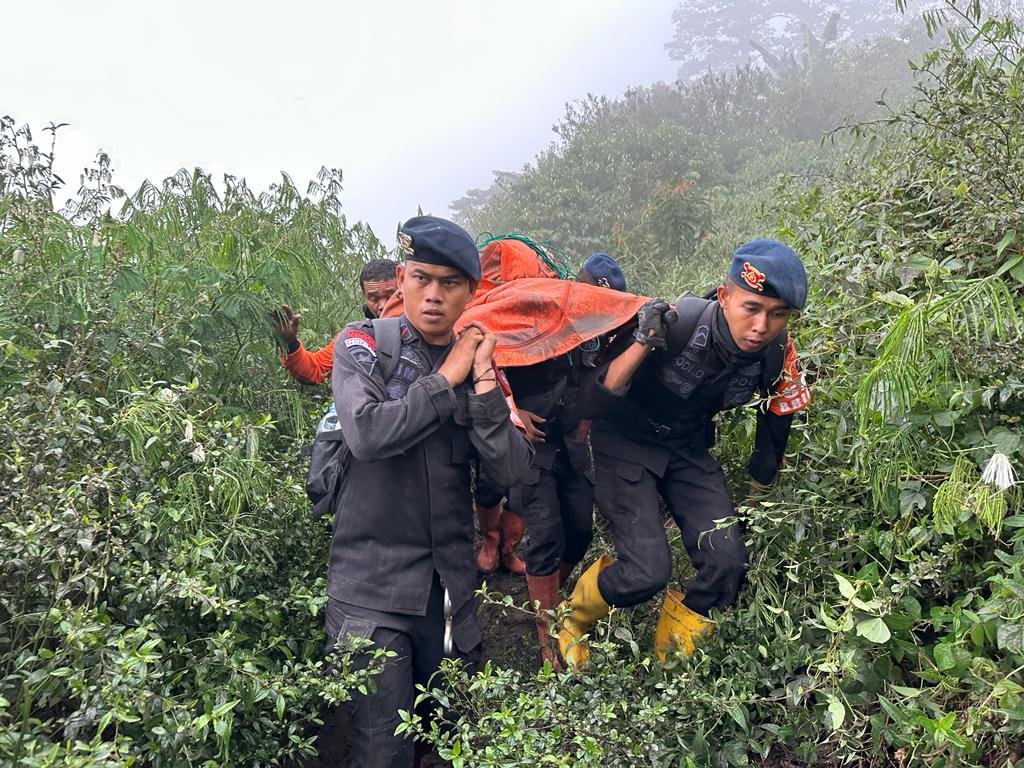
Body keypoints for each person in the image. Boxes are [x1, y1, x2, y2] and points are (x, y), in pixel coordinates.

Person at [325, 216, 532, 767]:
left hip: (448, 593)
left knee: (445, 745)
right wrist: (447, 378)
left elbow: (512, 468)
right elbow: (367, 433)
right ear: (401, 279)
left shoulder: (483, 365)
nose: (434, 295)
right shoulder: (362, 344)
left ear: (472, 291)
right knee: (383, 749)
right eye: (422, 279)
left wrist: (483, 380)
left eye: (450, 283)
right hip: (370, 591)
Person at [559, 239, 812, 667]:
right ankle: (573, 619)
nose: (761, 326)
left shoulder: (777, 352)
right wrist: (642, 339)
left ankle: (670, 664)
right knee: (646, 570)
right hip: (625, 441)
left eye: (778, 314)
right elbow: (595, 400)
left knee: (728, 562)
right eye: (751, 308)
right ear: (725, 295)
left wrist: (755, 496)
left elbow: (776, 421)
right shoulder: (677, 322)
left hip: (687, 446)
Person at [511, 251, 631, 667]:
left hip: (572, 446)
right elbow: (489, 354)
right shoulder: (534, 313)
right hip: (532, 444)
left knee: (579, 531)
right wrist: (511, 410)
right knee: (544, 534)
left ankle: (548, 596)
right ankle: (549, 641)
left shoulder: (603, 335)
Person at [273, 258, 399, 385]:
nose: (382, 305)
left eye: (390, 295)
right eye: (374, 298)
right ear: (365, 298)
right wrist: (290, 343)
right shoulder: (356, 337)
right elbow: (316, 370)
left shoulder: (419, 327)